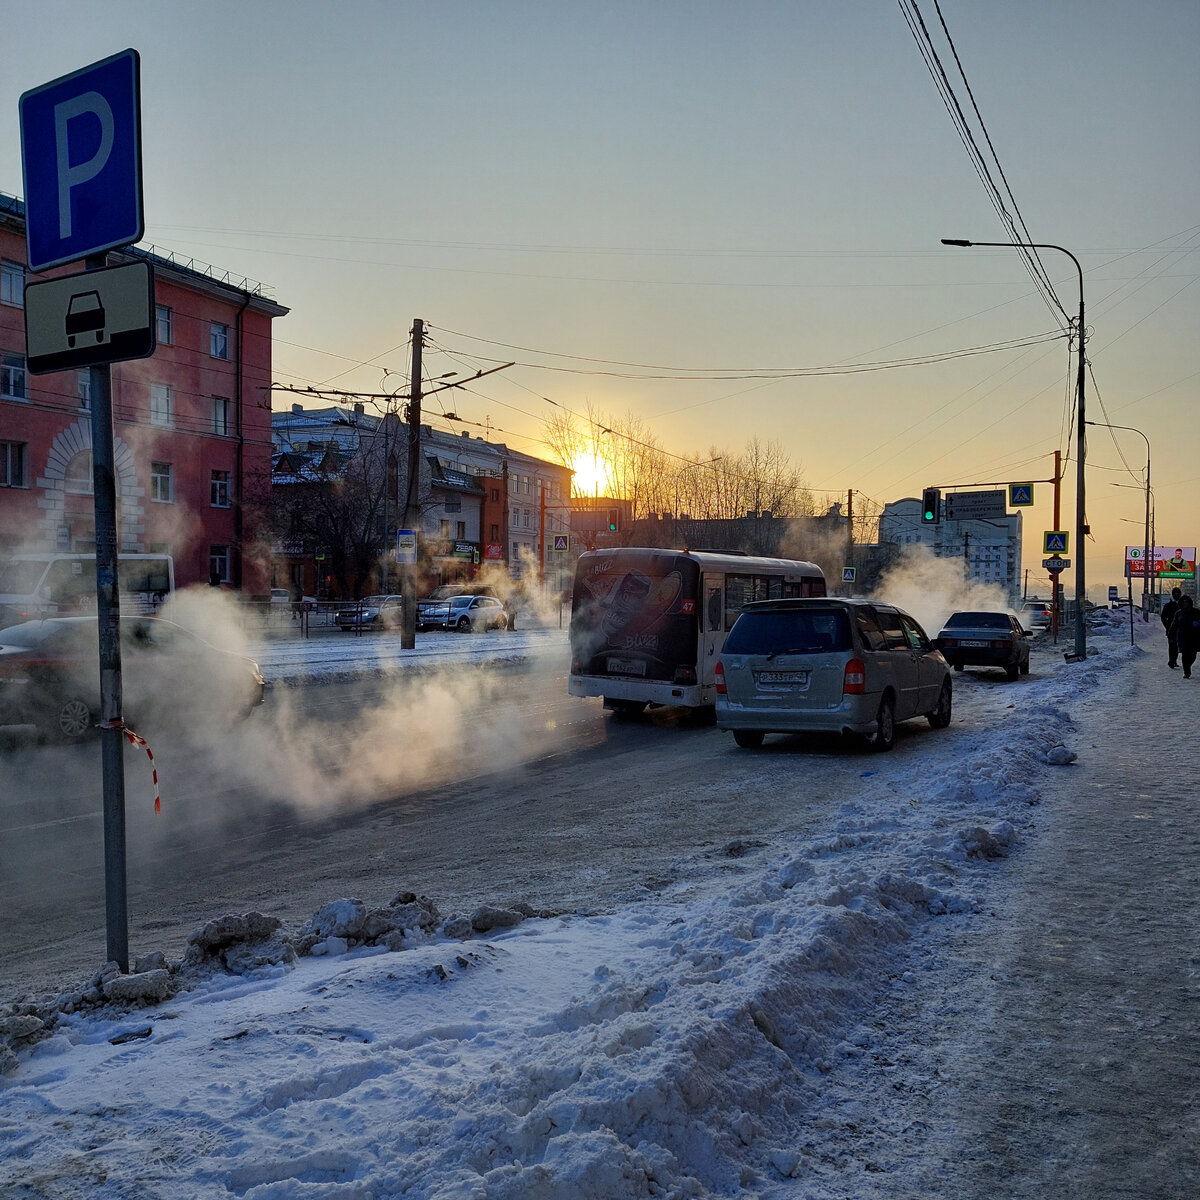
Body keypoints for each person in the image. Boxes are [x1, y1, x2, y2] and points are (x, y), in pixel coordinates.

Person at [1170, 595, 1199, 679]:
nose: (1185, 603)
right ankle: (1187, 671)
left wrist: (1197, 624)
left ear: (1190, 603)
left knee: (1193, 655)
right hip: (1182, 637)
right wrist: (1171, 634)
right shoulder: (1178, 613)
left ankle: (1188, 666)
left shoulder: (1196, 612)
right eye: (1183, 602)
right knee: (1185, 655)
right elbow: (1174, 624)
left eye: (1186, 602)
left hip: (1194, 637)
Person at [1161, 586, 1183, 668]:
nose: (1176, 595)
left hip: (1180, 630)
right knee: (1172, 645)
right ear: (1173, 595)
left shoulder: (1182, 606)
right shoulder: (1168, 606)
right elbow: (1163, 617)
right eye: (1175, 594)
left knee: (1176, 646)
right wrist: (1168, 626)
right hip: (1171, 630)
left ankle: (1174, 661)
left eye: (1178, 594)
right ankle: (1171, 661)